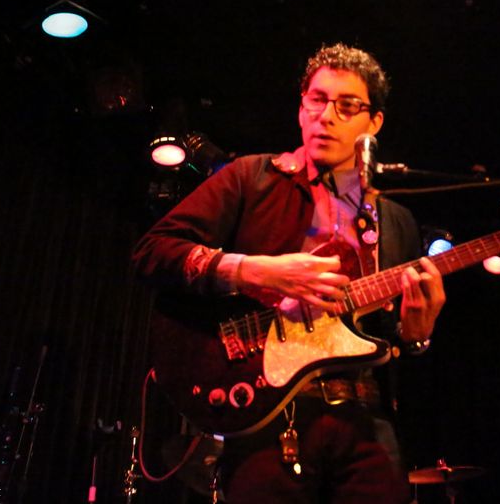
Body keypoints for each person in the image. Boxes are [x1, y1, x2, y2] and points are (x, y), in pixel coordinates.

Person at [132, 43, 446, 503]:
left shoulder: (396, 220)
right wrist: (252, 270)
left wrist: (416, 336)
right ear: (301, 108)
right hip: (270, 415)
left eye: (347, 106)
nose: (327, 116)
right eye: (317, 100)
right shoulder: (251, 176)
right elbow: (152, 251)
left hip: (368, 422)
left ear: (374, 122)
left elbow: (392, 341)